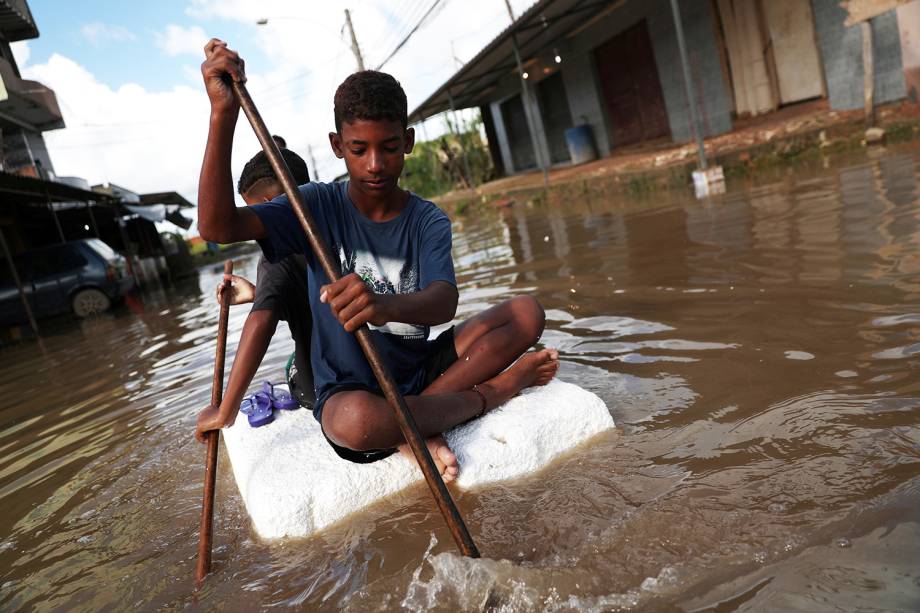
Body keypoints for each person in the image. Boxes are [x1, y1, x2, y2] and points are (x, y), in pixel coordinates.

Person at [196, 39, 558, 482]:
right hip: (351, 390)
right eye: (357, 149)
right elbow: (218, 228)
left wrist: (384, 306)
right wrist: (222, 113)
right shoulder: (314, 205)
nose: (374, 165)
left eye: (388, 147)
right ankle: (495, 392)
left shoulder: (427, 218)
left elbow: (443, 302)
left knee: (525, 313)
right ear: (336, 146)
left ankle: (412, 422)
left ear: (407, 141)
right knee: (357, 424)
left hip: (418, 368)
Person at [194, 148, 314, 443]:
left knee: (292, 369)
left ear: (269, 206)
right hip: (374, 360)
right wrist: (258, 293)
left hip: (322, 386)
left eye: (254, 211)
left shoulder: (276, 257)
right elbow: (314, 301)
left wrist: (226, 410)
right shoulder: (340, 218)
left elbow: (261, 323)